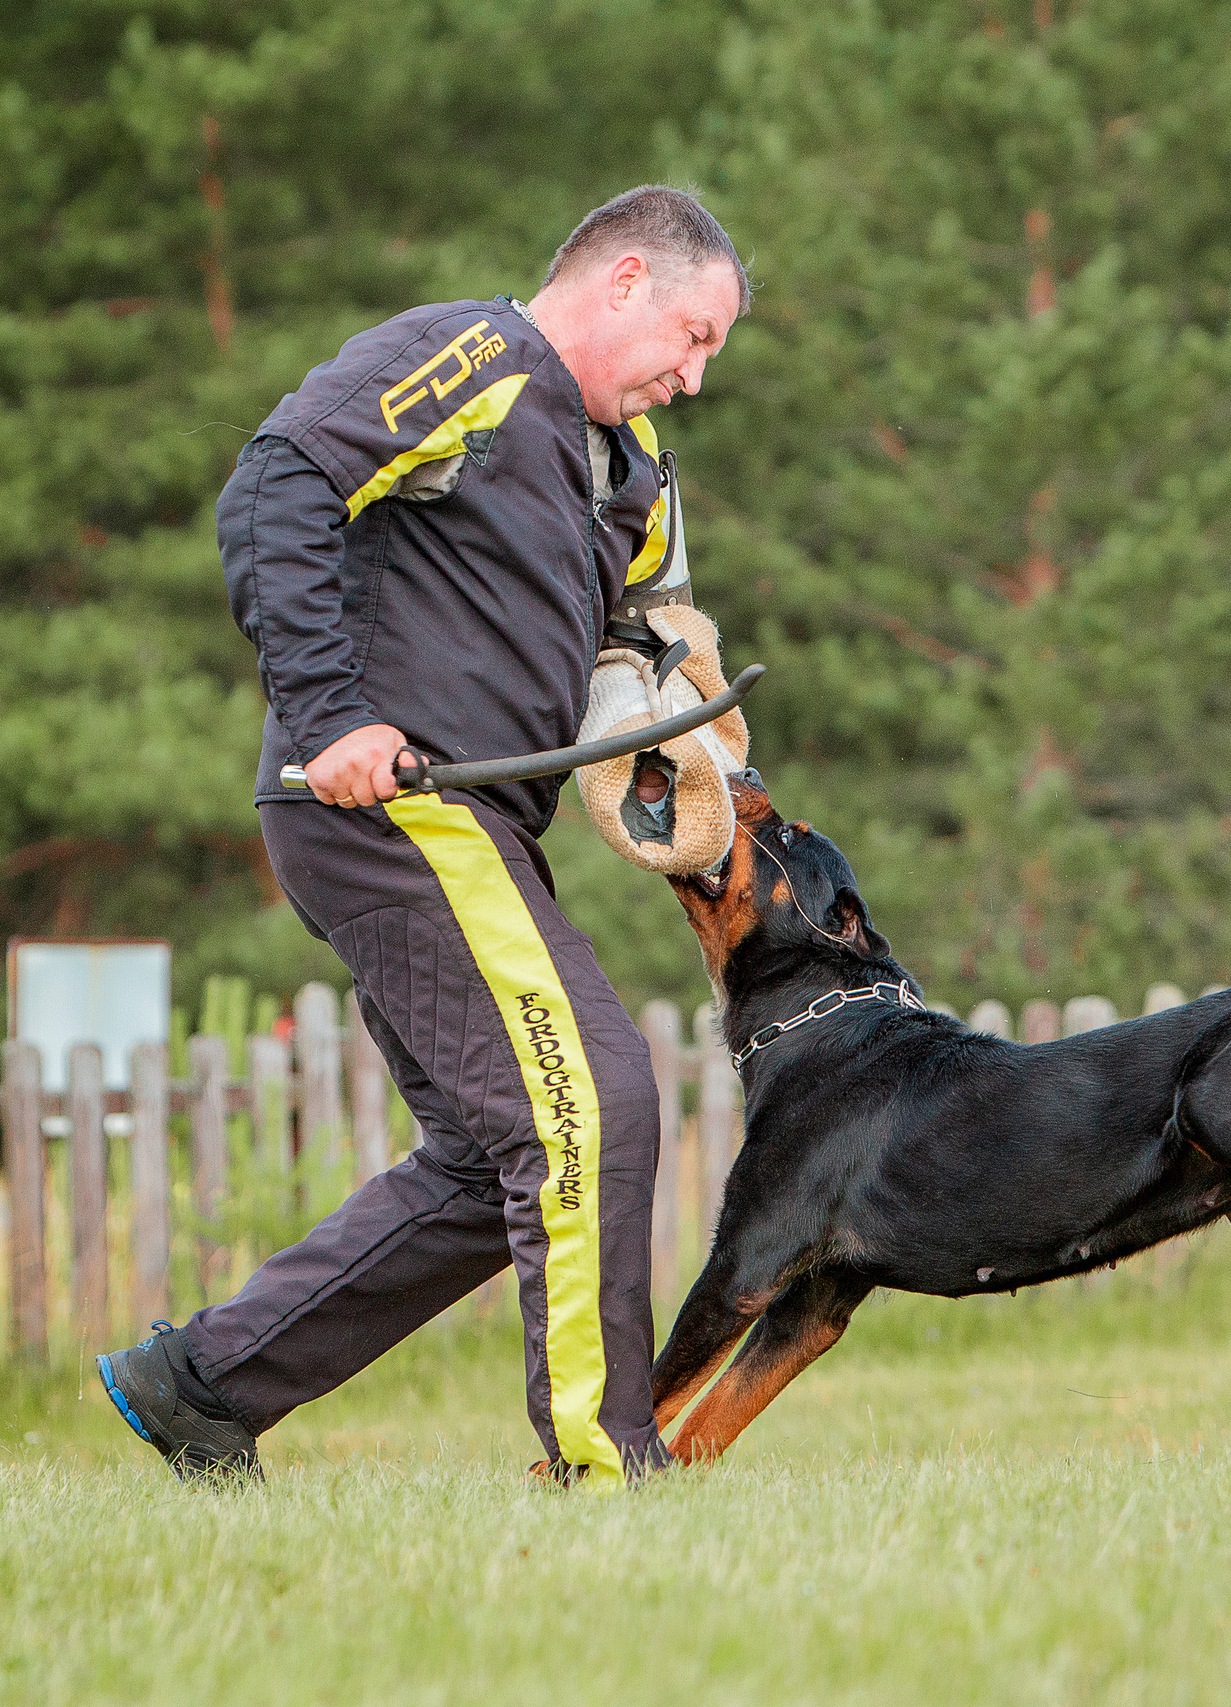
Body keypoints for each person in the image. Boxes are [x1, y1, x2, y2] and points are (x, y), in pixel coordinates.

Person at [96, 186, 749, 1488]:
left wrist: (674, 727)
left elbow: (657, 633)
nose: (693, 375)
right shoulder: (477, 360)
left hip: (479, 823)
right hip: (389, 804)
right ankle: (606, 1464)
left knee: (488, 1158)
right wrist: (328, 713)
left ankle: (205, 1384)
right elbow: (282, 480)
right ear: (622, 281)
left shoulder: (626, 469)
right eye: (691, 336)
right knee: (594, 1105)